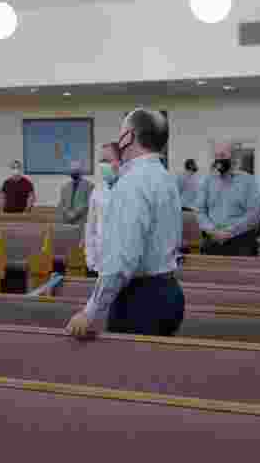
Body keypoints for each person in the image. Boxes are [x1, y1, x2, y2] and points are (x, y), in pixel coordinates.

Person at [65, 109, 184, 337]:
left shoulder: (132, 183)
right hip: (168, 291)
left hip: (140, 299)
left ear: (128, 136)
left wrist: (90, 312)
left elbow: (122, 261)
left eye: (121, 133)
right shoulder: (165, 177)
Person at [196, 141, 260, 256]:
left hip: (241, 241)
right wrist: (212, 230)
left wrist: (230, 231)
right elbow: (200, 211)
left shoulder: (249, 181)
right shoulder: (207, 181)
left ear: (234, 158)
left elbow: (253, 214)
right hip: (213, 240)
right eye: (216, 156)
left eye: (222, 155)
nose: (218, 159)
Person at [85, 142, 121, 274]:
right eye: (101, 161)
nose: (102, 165)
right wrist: (90, 257)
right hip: (100, 262)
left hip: (122, 263)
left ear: (120, 161)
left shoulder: (131, 189)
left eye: (107, 160)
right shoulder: (98, 190)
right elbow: (90, 226)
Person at [57, 160, 94, 226]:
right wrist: (67, 213)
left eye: (76, 170)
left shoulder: (89, 186)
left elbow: (89, 203)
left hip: (82, 221)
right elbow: (61, 204)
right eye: (72, 170)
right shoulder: (65, 187)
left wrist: (75, 213)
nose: (74, 172)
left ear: (81, 171)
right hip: (67, 221)